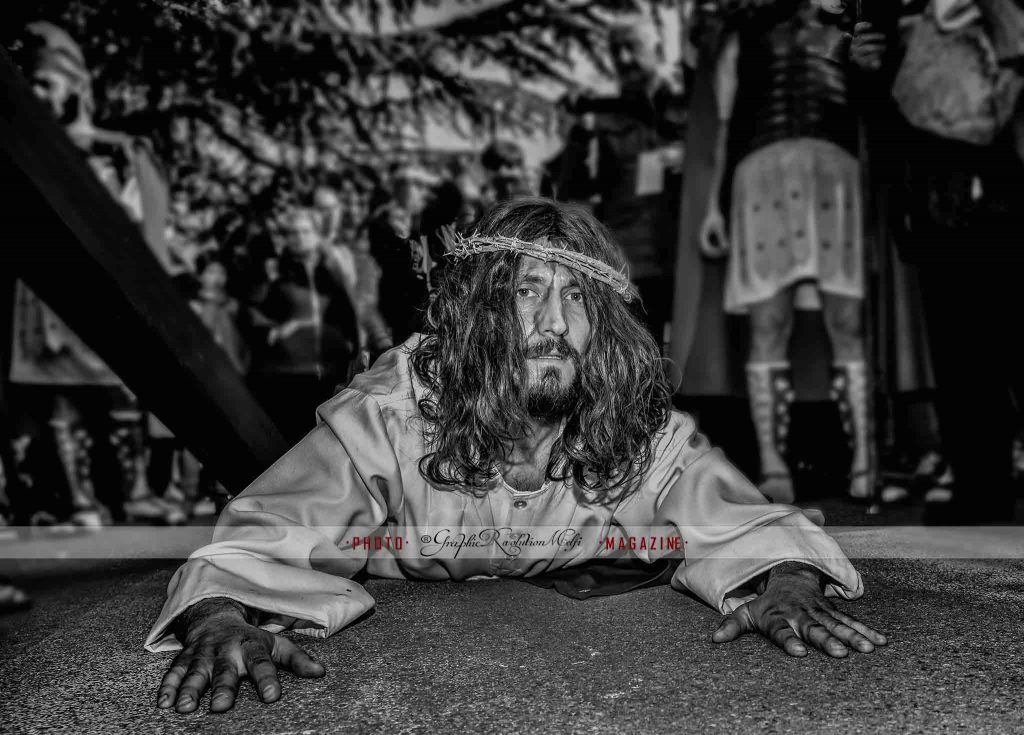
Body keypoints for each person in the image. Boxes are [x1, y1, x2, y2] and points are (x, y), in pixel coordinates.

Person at [147, 199, 885, 715]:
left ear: (606, 330)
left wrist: (784, 580)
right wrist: (218, 615)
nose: (555, 323)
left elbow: (743, 518)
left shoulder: (634, 424)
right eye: (527, 292)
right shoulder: (397, 408)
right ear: (482, 314)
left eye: (577, 299)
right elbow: (265, 529)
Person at [851, 0, 1024, 523]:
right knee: (960, 361)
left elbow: (981, 120)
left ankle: (984, 488)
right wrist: (870, 75)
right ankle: (982, 489)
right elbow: (885, 135)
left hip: (1002, 206)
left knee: (1009, 349)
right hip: (934, 207)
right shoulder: (910, 27)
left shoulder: (1001, 18)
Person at [694, 0, 872, 504]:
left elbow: (868, 108)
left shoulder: (850, 28)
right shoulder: (744, 36)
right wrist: (714, 206)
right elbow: (728, 125)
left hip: (835, 172)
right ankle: (774, 465)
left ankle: (863, 462)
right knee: (768, 323)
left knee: (847, 321)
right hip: (762, 172)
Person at [552, 20, 686, 350]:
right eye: (616, 52)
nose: (624, 58)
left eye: (632, 48)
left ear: (657, 51)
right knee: (638, 358)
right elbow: (570, 188)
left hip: (686, 255)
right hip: (630, 261)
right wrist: (578, 135)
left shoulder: (689, 105)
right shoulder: (600, 117)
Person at [247, 208, 360, 444]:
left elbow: (347, 316)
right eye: (293, 232)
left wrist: (350, 349)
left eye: (305, 231)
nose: (299, 237)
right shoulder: (273, 272)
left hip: (327, 374)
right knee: (286, 445)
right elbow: (251, 312)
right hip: (285, 376)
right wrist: (275, 333)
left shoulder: (331, 273)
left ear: (317, 236)